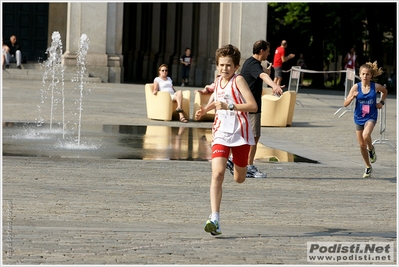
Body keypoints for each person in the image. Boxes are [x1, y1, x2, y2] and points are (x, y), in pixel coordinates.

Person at [195, 44, 258, 236]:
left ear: (236, 66)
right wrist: (205, 110)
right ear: (217, 65)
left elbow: (253, 106)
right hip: (221, 133)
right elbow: (216, 99)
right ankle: (215, 218)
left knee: (240, 179)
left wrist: (230, 106)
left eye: (228, 65)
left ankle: (236, 166)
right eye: (221, 65)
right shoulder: (218, 81)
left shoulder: (238, 81)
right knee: (217, 174)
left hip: (240, 135)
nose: (224, 69)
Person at [238, 40, 284, 178]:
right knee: (253, 137)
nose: (269, 53)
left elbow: (263, 72)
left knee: (249, 137)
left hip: (249, 106)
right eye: (268, 51)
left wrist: (267, 70)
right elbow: (263, 76)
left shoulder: (251, 63)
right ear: (262, 51)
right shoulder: (253, 64)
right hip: (251, 108)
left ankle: (241, 164)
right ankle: (248, 167)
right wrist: (274, 86)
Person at [343, 61, 387, 178]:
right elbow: (345, 104)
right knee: (362, 145)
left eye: (367, 74)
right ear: (360, 75)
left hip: (371, 116)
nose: (365, 76)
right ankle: (368, 166)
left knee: (366, 135)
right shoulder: (356, 87)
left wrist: (381, 102)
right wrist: (352, 96)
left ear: (371, 76)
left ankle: (371, 149)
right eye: (363, 74)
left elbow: (385, 91)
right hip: (359, 118)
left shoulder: (375, 87)